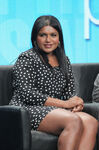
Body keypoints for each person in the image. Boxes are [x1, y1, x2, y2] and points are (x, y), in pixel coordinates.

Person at [9, 15, 98, 150]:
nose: (48, 40)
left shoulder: (64, 60)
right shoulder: (27, 58)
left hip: (56, 109)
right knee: (73, 120)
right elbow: (27, 94)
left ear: (59, 38)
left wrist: (76, 103)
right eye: (43, 35)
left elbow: (69, 93)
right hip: (26, 109)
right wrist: (65, 104)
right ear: (35, 38)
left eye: (53, 35)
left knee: (91, 122)